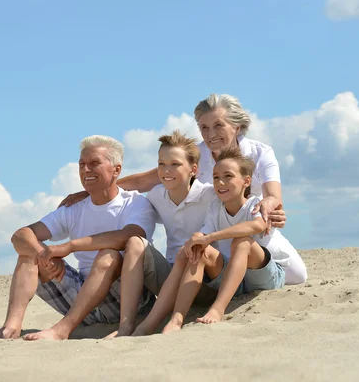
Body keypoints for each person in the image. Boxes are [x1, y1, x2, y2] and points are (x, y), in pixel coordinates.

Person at [0, 135, 157, 341]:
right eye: (82, 165)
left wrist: (67, 247)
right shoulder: (74, 209)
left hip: (128, 300)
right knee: (28, 254)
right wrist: (45, 256)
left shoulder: (136, 203)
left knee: (109, 255)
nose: (86, 170)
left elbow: (129, 236)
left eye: (94, 163)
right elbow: (21, 235)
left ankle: (62, 330)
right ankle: (10, 328)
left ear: (117, 170)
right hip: (84, 303)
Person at [60, 94, 287, 234]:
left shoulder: (261, 153)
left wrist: (270, 205)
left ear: (237, 126)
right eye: (204, 128)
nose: (211, 134)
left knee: (297, 275)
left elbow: (273, 194)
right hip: (209, 235)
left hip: (252, 229)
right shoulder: (195, 154)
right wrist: (91, 191)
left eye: (218, 125)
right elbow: (146, 180)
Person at [153, 146, 302, 333]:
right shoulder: (215, 207)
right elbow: (204, 232)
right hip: (235, 279)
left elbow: (257, 226)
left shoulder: (255, 205)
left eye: (228, 176)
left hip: (264, 276)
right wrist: (197, 239)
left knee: (242, 242)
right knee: (199, 250)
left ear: (246, 181)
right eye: (216, 177)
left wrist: (211, 237)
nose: (220, 183)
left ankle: (217, 310)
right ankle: (176, 319)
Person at [106, 130, 217, 338]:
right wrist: (87, 192)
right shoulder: (156, 195)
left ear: (194, 169)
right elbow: (121, 190)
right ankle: (126, 326)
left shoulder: (210, 195)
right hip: (170, 279)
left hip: (206, 280)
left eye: (175, 164)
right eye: (161, 164)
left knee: (194, 247)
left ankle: (155, 325)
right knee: (135, 242)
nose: (166, 170)